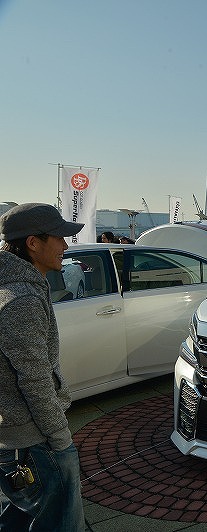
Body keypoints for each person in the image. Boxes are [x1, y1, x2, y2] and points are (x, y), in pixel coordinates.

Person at [0, 203, 86, 531]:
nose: (65, 246)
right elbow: (35, 381)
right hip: (33, 443)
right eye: (59, 237)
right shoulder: (21, 298)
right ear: (33, 243)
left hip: (15, 441)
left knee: (16, 523)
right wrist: (61, 440)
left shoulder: (16, 286)